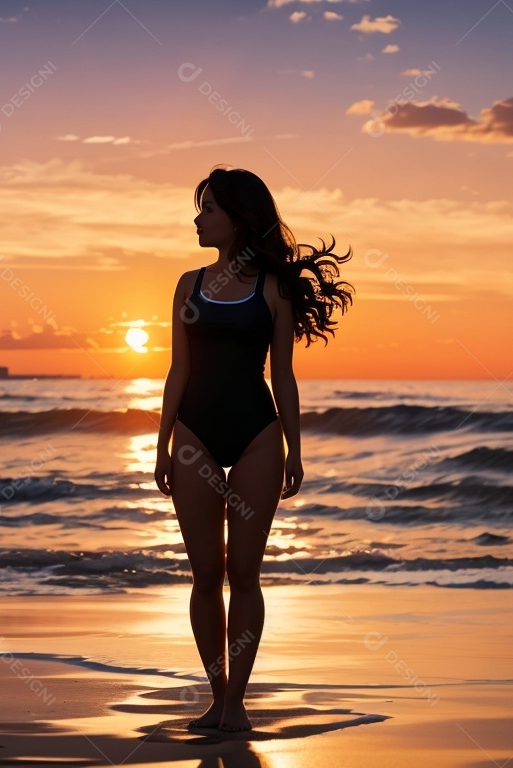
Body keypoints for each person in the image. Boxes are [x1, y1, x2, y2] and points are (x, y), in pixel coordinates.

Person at [154, 166, 353, 732]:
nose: (198, 219)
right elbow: (178, 369)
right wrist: (162, 443)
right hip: (194, 435)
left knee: (245, 572)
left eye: (209, 209)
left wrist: (295, 449)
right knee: (204, 574)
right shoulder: (187, 284)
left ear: (239, 218)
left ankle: (236, 705)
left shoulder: (273, 289)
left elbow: (283, 375)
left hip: (257, 435)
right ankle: (216, 696)